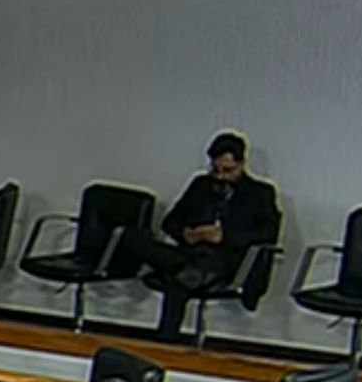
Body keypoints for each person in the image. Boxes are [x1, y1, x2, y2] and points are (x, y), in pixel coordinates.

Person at [119, 132, 283, 341]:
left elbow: (269, 233)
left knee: (178, 280)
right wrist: (186, 233)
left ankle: (166, 335)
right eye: (216, 170)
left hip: (225, 259)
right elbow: (170, 221)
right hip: (190, 252)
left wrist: (224, 236)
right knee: (133, 237)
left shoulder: (261, 193)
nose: (220, 176)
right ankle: (183, 270)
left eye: (228, 171)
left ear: (241, 165)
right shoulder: (201, 185)